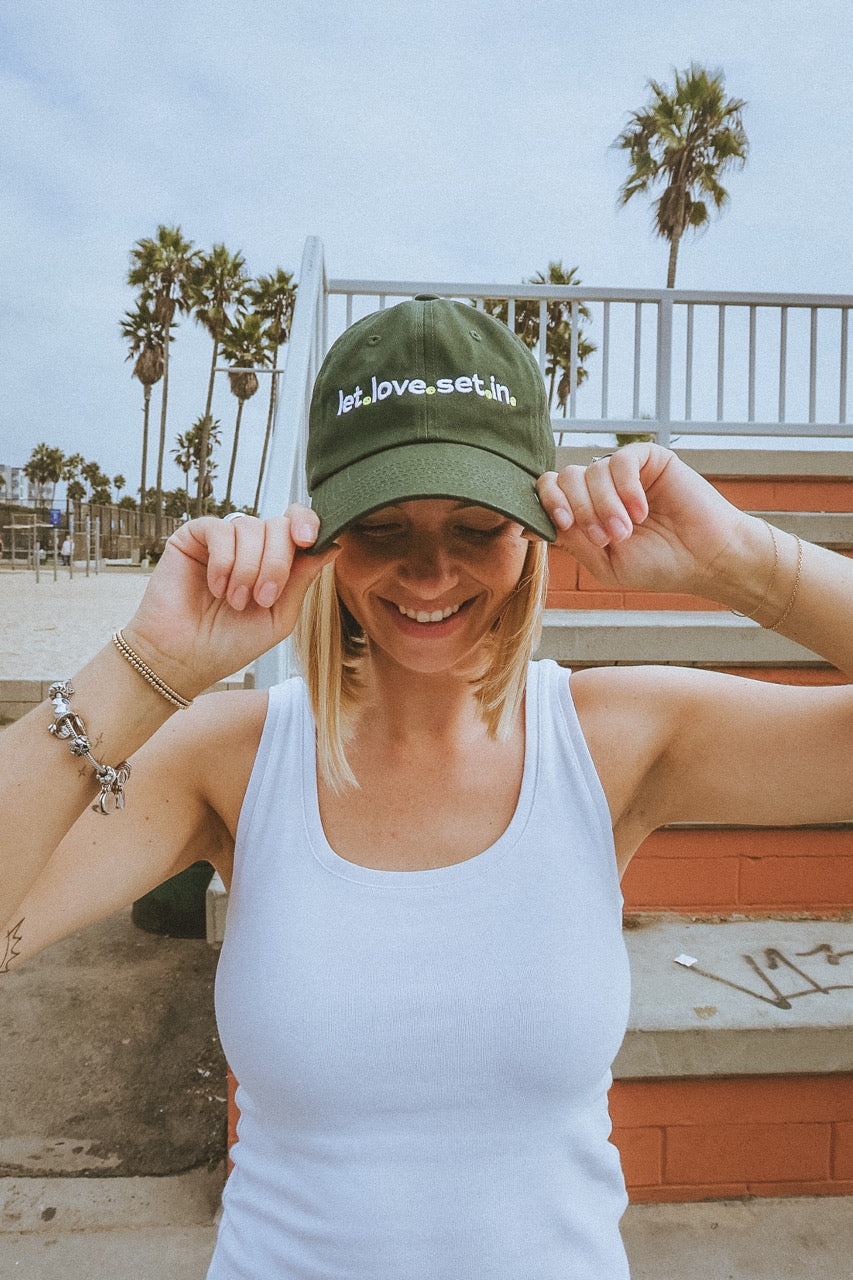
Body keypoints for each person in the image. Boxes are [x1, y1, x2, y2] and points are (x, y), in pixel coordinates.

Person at [1, 296, 852, 1279]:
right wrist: (147, 662)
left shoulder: (612, 740)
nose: (430, 568)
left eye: (477, 523)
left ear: (535, 527)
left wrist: (744, 563)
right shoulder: (234, 758)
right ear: (321, 529)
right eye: (383, 525)